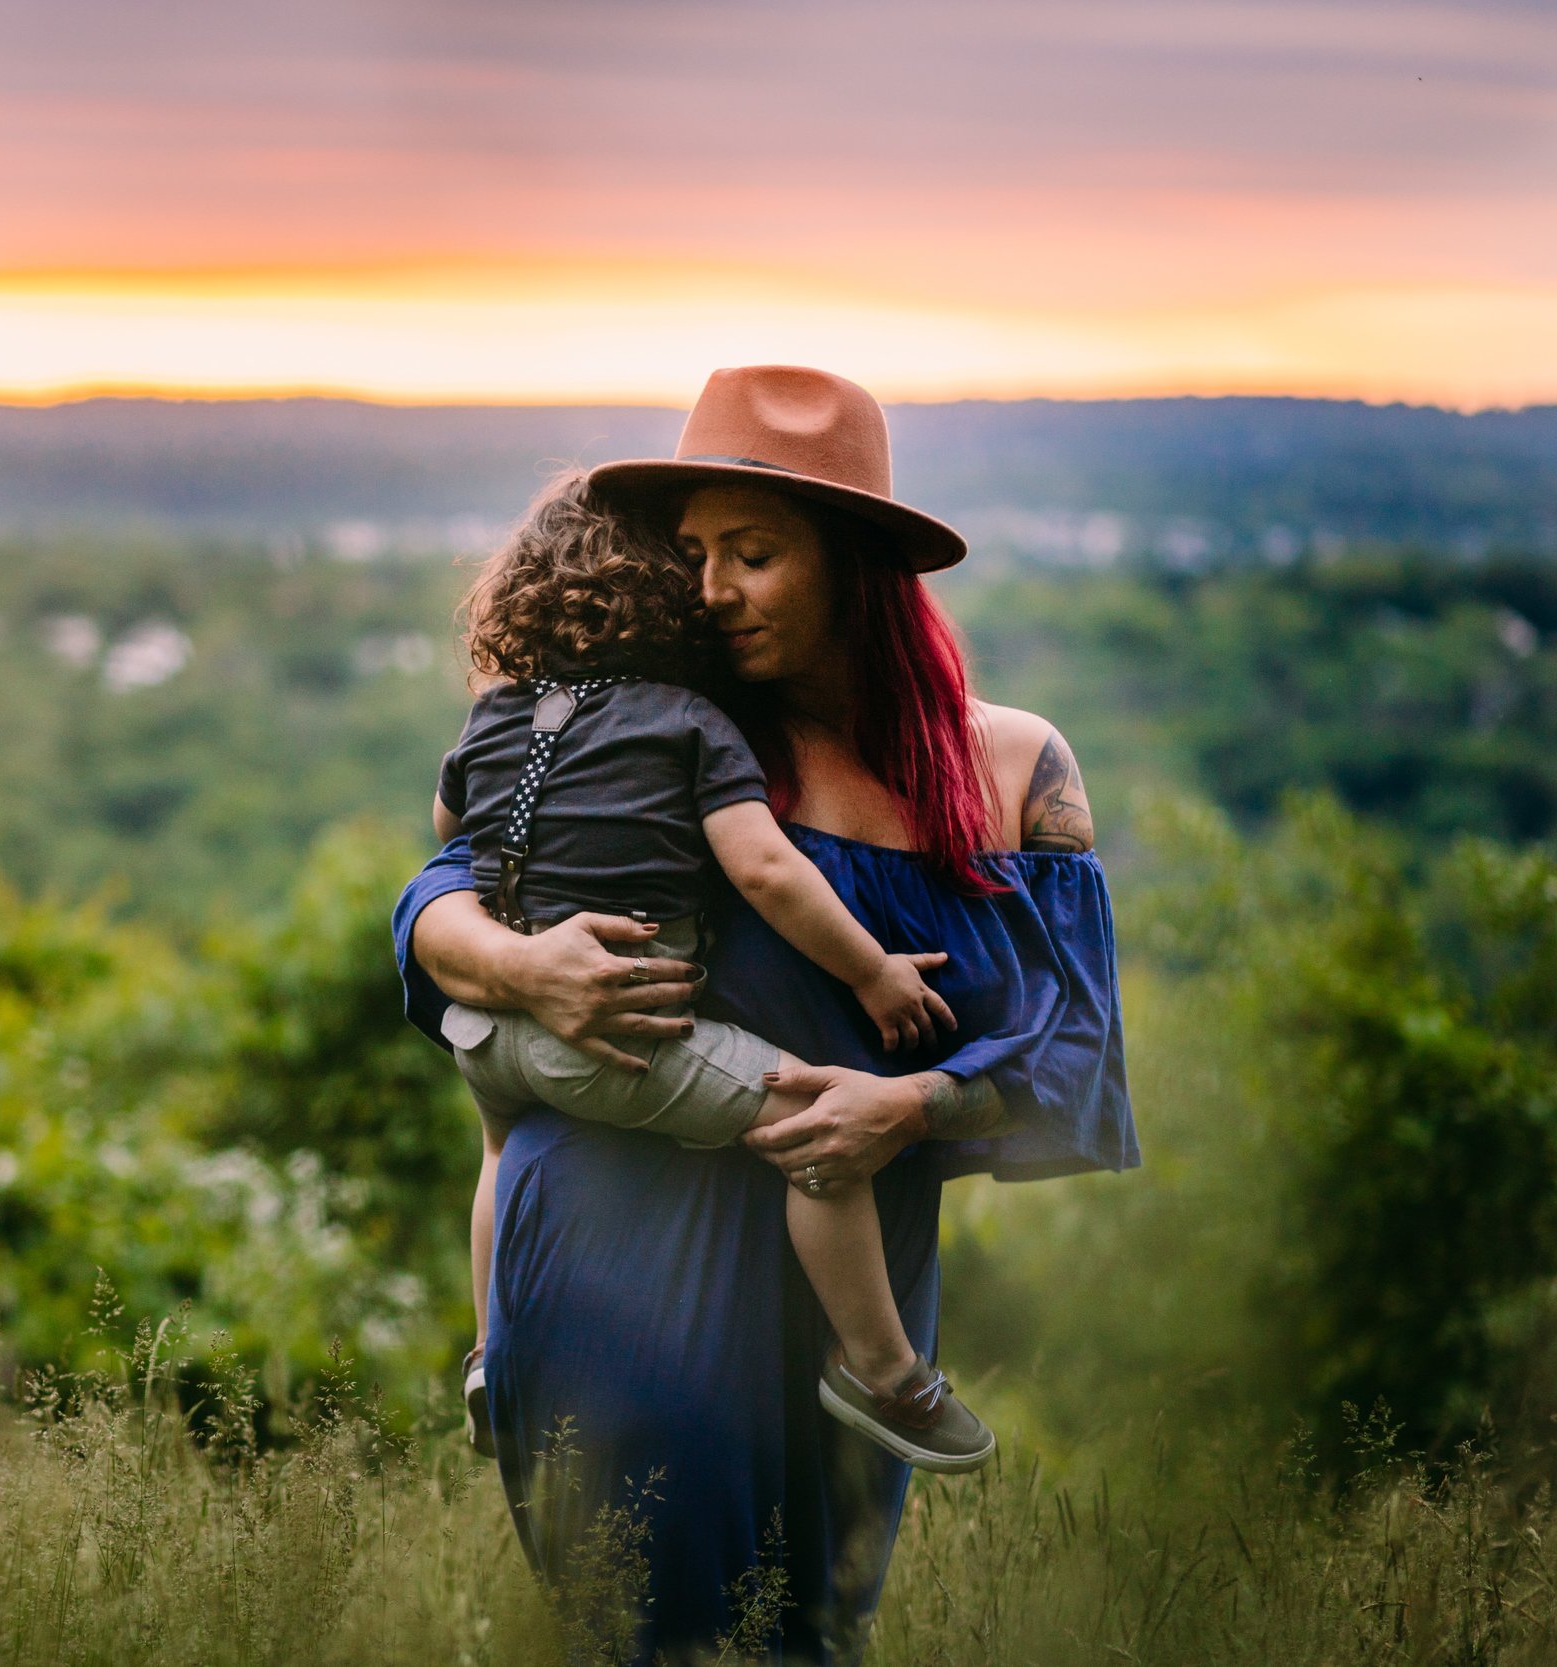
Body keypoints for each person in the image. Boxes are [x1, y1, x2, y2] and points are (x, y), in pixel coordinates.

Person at [395, 365, 1134, 1664]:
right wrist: (531, 973)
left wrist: (906, 1105)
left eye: (754, 553)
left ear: (855, 565)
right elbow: (434, 904)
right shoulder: (647, 738)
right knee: (656, 1633)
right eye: (690, 554)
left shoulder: (1013, 767)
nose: (713, 589)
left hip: (860, 1287)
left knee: (816, 1632)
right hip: (618, 1245)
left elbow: (1075, 1052)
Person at [433, 471, 992, 1473]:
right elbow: (767, 869)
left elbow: (449, 830)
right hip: (615, 1032)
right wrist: (872, 976)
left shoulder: (499, 716)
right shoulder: (691, 723)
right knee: (809, 1123)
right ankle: (882, 1368)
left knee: (496, 1149)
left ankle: (486, 1352)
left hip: (487, 1034)